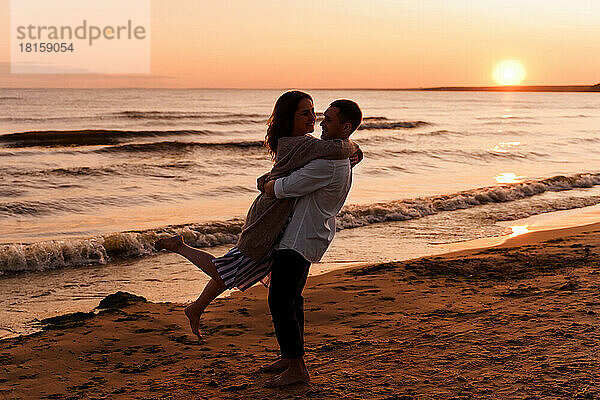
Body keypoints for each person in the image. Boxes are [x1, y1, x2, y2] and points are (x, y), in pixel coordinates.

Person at [154, 91, 362, 339]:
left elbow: (331, 153)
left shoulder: (297, 143)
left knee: (240, 267)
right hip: (268, 218)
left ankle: (196, 307)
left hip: (275, 215)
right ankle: (181, 247)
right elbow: (340, 148)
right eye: (305, 113)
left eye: (314, 112)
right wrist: (356, 150)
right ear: (290, 118)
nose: (314, 119)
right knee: (230, 268)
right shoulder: (303, 144)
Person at [260, 99, 363, 387]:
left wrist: (266, 184)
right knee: (292, 299)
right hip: (306, 235)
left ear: (345, 127)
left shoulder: (328, 164)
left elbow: (284, 188)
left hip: (300, 238)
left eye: (328, 120)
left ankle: (297, 369)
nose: (320, 123)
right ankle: (290, 358)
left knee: (280, 300)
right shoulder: (336, 155)